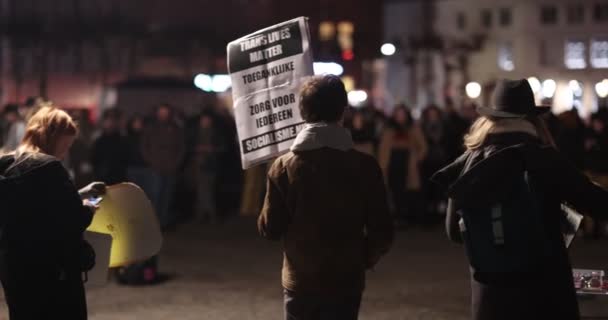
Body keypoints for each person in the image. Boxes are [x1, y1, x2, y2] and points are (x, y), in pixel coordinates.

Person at [431, 79, 608, 320]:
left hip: (491, 294)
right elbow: (595, 201)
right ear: (533, 119)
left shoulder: (471, 161)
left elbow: (453, 231)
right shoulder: (544, 158)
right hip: (545, 291)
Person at [258, 75, 394, 320]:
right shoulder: (364, 165)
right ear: (343, 111)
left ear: (302, 112)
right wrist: (363, 257)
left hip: (301, 277)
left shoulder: (283, 166)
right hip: (346, 277)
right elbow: (382, 230)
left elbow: (271, 229)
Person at [0, 106, 104, 319]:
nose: (65, 152)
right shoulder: (49, 167)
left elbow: (35, 206)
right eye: (65, 146)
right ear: (51, 138)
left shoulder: (7, 163)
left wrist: (78, 194)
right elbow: (71, 219)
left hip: (15, 267)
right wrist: (87, 207)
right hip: (52, 271)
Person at [378, 104, 427, 225]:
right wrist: (382, 162)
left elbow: (423, 146)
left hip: (408, 162)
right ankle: (397, 215)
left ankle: (406, 216)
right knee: (394, 189)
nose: (400, 117)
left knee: (408, 189)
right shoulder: (389, 129)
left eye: (402, 114)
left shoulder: (413, 128)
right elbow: (383, 147)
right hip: (392, 162)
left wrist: (417, 158)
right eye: (398, 114)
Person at [140, 104, 185, 229]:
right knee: (156, 195)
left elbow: (181, 147)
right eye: (161, 112)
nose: (163, 115)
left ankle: (163, 221)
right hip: (155, 167)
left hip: (171, 167)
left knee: (167, 196)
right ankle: (153, 222)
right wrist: (151, 161)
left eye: (165, 112)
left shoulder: (176, 128)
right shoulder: (151, 128)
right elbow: (144, 146)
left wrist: (176, 162)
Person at [192, 111, 223, 224]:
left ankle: (205, 214)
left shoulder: (215, 133)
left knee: (208, 189)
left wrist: (212, 149)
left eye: (207, 120)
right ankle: (207, 214)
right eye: (204, 120)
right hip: (199, 164)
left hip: (211, 164)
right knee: (202, 189)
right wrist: (198, 149)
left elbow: (222, 147)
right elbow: (189, 145)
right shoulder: (195, 133)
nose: (205, 122)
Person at [91, 109, 129, 185]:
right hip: (102, 177)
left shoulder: (123, 139)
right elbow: (94, 159)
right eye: (109, 119)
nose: (111, 123)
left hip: (118, 177)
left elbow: (126, 158)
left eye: (114, 120)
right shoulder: (99, 140)